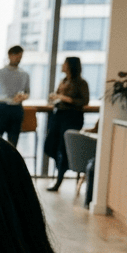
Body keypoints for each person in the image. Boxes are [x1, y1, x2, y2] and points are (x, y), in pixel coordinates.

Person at [44, 55, 90, 192]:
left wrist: (64, 98)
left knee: (64, 149)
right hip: (58, 116)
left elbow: (84, 101)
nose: (62, 65)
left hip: (72, 117)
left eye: (65, 63)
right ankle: (62, 167)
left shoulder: (81, 83)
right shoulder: (63, 81)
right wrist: (55, 98)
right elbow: (56, 98)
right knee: (50, 145)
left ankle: (59, 179)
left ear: (71, 66)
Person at [0, 45, 30, 145]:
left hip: (17, 109)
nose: (18, 59)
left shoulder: (25, 74)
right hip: (0, 108)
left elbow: (27, 92)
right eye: (17, 56)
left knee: (13, 143)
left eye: (20, 57)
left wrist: (24, 97)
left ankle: (10, 160)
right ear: (10, 55)